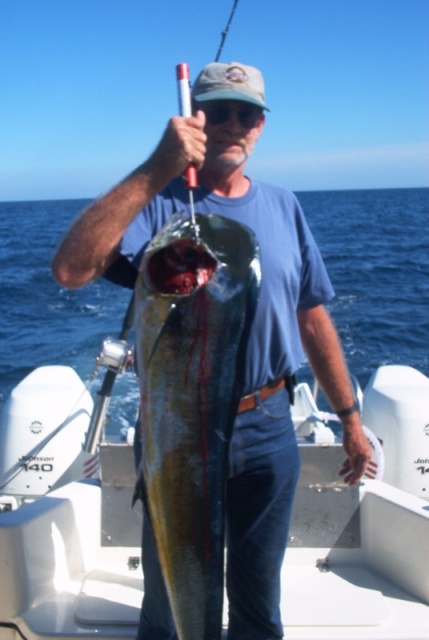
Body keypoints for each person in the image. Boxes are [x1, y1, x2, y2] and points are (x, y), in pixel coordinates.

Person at [52, 61, 372, 640]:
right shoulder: (157, 202)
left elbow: (312, 315)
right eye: (216, 111)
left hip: (270, 424)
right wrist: (158, 167)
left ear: (261, 126)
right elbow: (72, 268)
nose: (232, 124)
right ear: (191, 118)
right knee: (171, 604)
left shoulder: (284, 207)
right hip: (177, 429)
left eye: (245, 113)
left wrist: (350, 418)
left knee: (258, 605)